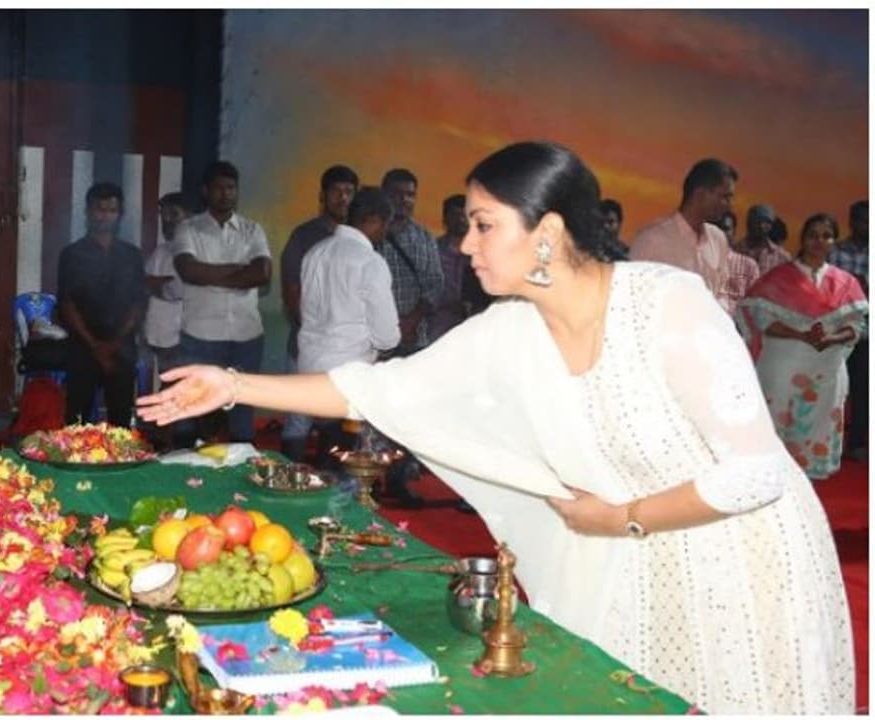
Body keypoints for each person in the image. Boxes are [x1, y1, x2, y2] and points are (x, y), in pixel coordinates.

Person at [139, 141, 853, 714]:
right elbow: (375, 387)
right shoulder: (512, 330)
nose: (463, 244)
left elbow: (755, 473)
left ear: (547, 233)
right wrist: (232, 383)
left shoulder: (668, 304)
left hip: (741, 554)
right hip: (639, 552)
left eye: (484, 225)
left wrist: (618, 520)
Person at [735, 213, 868, 480]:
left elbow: (856, 326)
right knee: (778, 420)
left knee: (819, 424)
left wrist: (831, 338)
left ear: (834, 241)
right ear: (803, 239)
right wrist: (801, 335)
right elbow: (761, 319)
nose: (819, 241)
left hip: (827, 367)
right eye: (813, 235)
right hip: (784, 364)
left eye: (826, 236)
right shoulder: (778, 278)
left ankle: (809, 483)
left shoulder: (846, 282)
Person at [172, 160, 272, 444]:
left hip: (246, 336)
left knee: (243, 411)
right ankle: (184, 463)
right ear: (206, 191)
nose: (226, 194)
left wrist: (209, 275)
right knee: (189, 409)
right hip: (200, 335)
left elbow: (262, 273)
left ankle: (241, 465)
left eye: (231, 188)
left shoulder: (252, 230)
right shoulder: (188, 229)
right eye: (219, 188)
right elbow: (188, 271)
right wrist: (239, 273)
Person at [298, 186, 400, 462]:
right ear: (375, 220)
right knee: (351, 466)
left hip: (310, 371)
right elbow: (387, 337)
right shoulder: (370, 262)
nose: (385, 233)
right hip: (349, 378)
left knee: (328, 452)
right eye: (386, 225)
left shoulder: (315, 252)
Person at [279, 165, 359, 461]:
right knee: (298, 419)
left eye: (349, 192)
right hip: (307, 344)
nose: (343, 198)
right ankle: (289, 480)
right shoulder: (304, 236)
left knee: (338, 419)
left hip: (345, 349)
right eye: (337, 191)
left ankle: (328, 481)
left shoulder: (359, 239)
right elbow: (292, 293)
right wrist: (316, 336)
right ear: (322, 196)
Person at [56, 182, 146, 427]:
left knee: (120, 420)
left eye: (111, 210)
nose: (105, 216)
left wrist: (114, 344)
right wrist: (95, 345)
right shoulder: (72, 254)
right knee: (77, 421)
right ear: (88, 212)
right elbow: (67, 304)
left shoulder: (131, 255)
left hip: (121, 347)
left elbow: (138, 304)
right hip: (82, 347)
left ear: (120, 214)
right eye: (100, 209)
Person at [629, 158, 736, 302]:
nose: (729, 205)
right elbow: (633, 297)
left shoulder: (718, 239)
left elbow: (724, 293)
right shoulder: (651, 240)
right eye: (725, 197)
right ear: (700, 194)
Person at [380, 168, 445, 356]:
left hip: (413, 339)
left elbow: (435, 284)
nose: (404, 200)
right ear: (384, 195)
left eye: (410, 195)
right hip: (373, 341)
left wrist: (410, 321)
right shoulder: (369, 234)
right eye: (396, 194)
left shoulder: (425, 238)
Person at [830, 200, 869, 460]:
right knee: (834, 387)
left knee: (863, 389)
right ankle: (830, 440)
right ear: (852, 222)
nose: (868, 226)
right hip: (837, 330)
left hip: (867, 332)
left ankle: (856, 443)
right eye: (863, 221)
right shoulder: (835, 252)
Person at [429, 194, 493, 341]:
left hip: (475, 328)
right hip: (437, 329)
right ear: (445, 219)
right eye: (454, 215)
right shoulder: (432, 250)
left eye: (464, 215)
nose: (460, 220)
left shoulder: (483, 252)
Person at [143, 192, 191, 382]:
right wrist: (157, 283)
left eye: (174, 214)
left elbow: (176, 290)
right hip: (156, 337)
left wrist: (156, 284)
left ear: (190, 217)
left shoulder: (196, 252)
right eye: (163, 215)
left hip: (181, 339)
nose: (167, 220)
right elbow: (143, 284)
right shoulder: (161, 251)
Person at [733, 203, 791, 274]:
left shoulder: (781, 257)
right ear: (749, 223)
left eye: (767, 222)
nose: (761, 226)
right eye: (757, 221)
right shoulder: (734, 251)